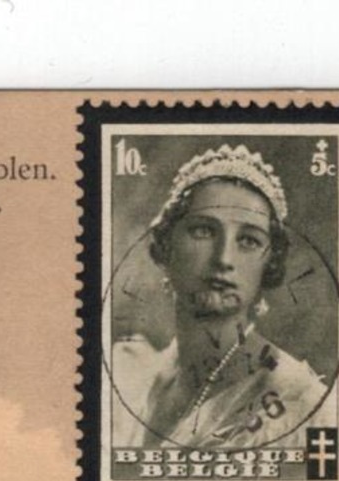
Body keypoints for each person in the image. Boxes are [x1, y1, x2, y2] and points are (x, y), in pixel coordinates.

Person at [111, 144, 328, 450]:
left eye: (249, 241)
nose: (223, 258)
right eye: (203, 231)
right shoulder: (126, 377)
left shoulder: (302, 404)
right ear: (167, 246)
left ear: (269, 264)